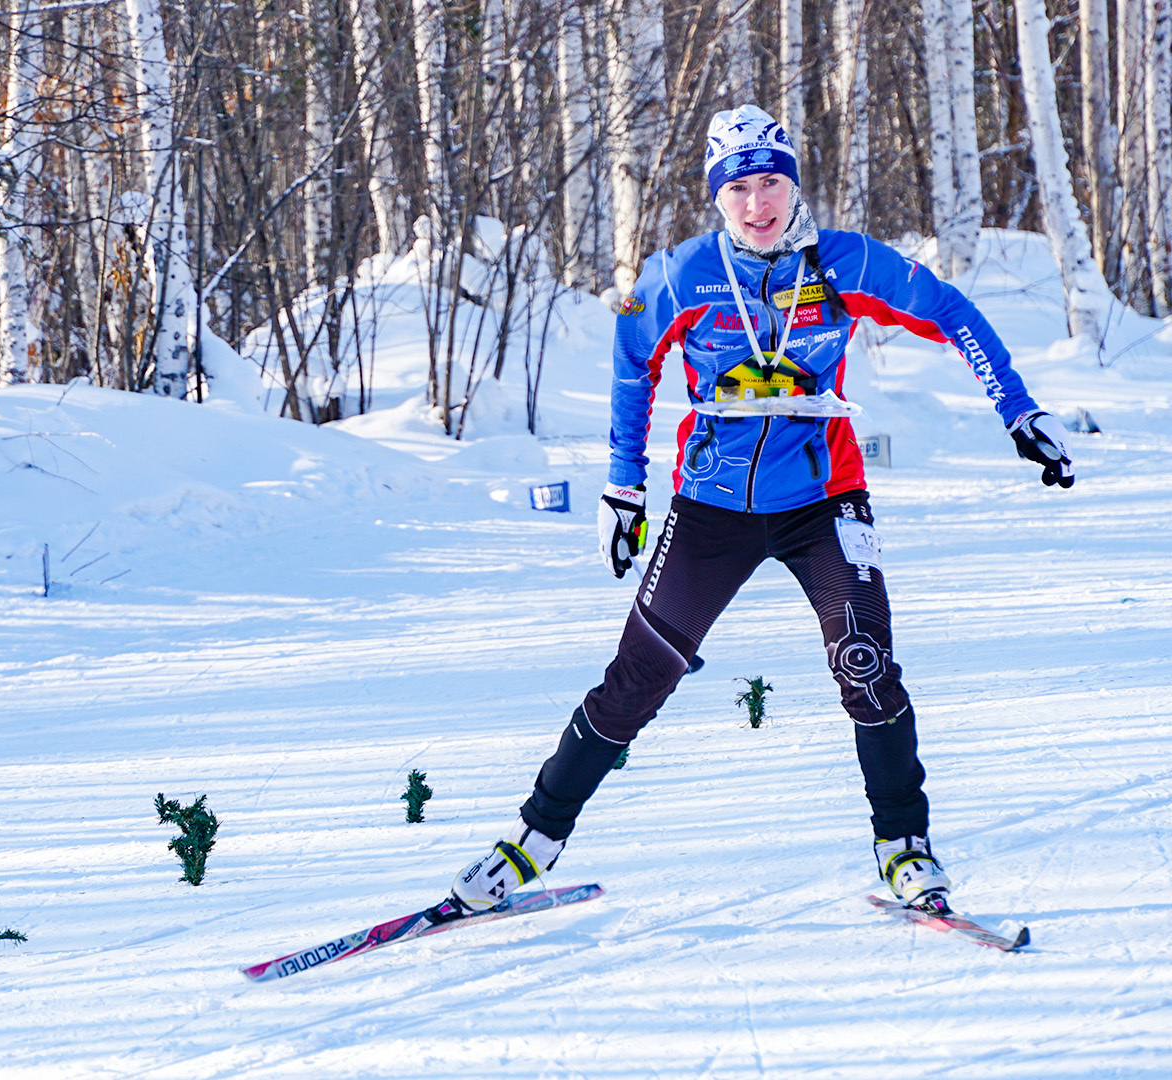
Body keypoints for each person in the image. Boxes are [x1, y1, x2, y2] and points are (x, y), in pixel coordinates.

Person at [442, 105, 1075, 919]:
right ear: (718, 197)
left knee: (865, 664)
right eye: (739, 187)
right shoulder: (677, 275)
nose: (757, 203)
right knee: (638, 678)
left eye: (772, 182)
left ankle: (904, 847)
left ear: (793, 185)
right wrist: (622, 487)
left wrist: (1017, 411)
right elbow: (632, 364)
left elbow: (952, 312)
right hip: (711, 506)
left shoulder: (843, 263)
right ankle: (533, 841)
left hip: (824, 501)